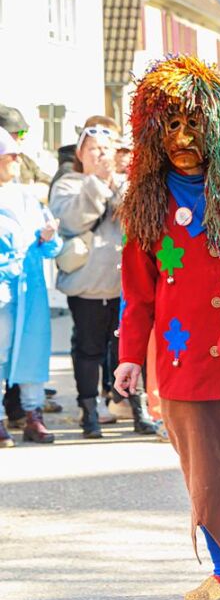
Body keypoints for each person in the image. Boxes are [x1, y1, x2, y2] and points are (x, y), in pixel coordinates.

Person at [112, 55, 220, 600]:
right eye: (172, 126)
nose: (183, 138)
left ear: (219, 128)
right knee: (202, 468)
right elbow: (138, 292)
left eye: (195, 125)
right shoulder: (144, 206)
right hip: (184, 351)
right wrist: (130, 356)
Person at [49, 125, 132, 438]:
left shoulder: (125, 183)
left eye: (107, 148)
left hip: (122, 284)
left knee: (122, 347)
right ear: (80, 154)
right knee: (88, 348)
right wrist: (97, 184)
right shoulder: (68, 185)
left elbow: (136, 218)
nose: (101, 155)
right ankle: (89, 411)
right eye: (94, 149)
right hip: (86, 285)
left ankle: (127, 403)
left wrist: (117, 186)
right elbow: (72, 221)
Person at [0, 127, 61, 447]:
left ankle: (32, 414)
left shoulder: (28, 197)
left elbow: (52, 247)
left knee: (34, 350)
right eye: (9, 155)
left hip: (31, 287)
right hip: (4, 289)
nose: (15, 160)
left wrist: (49, 237)